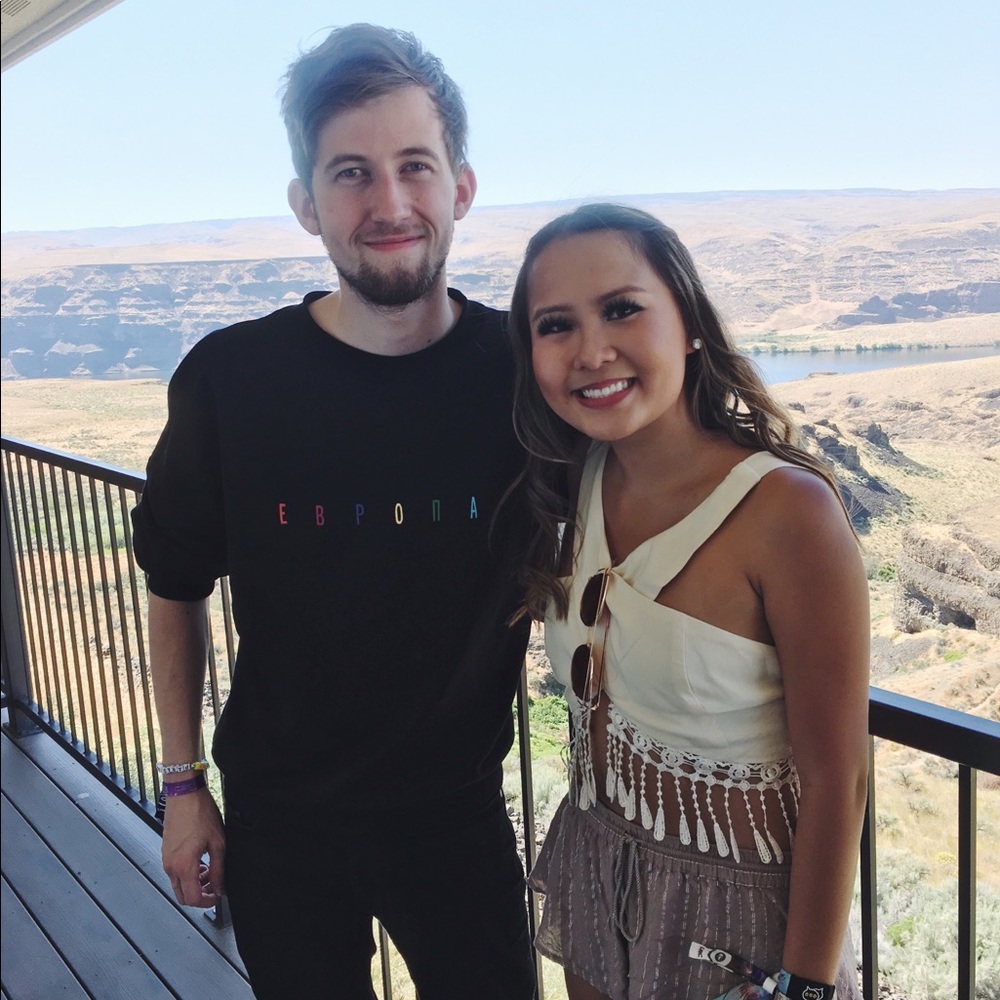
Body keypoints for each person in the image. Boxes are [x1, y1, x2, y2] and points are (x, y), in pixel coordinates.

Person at [131, 24, 536, 1000]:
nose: (388, 203)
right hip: (281, 824)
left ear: (461, 187)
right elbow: (173, 586)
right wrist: (183, 787)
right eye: (351, 173)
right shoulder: (232, 381)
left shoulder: (522, 376)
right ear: (306, 204)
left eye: (414, 166)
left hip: (458, 819)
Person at [507, 203, 869, 1000]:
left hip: (741, 926)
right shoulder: (577, 480)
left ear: (690, 325)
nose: (591, 350)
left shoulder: (787, 513)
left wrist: (802, 985)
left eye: (623, 309)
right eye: (555, 325)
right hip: (598, 873)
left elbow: (839, 775)